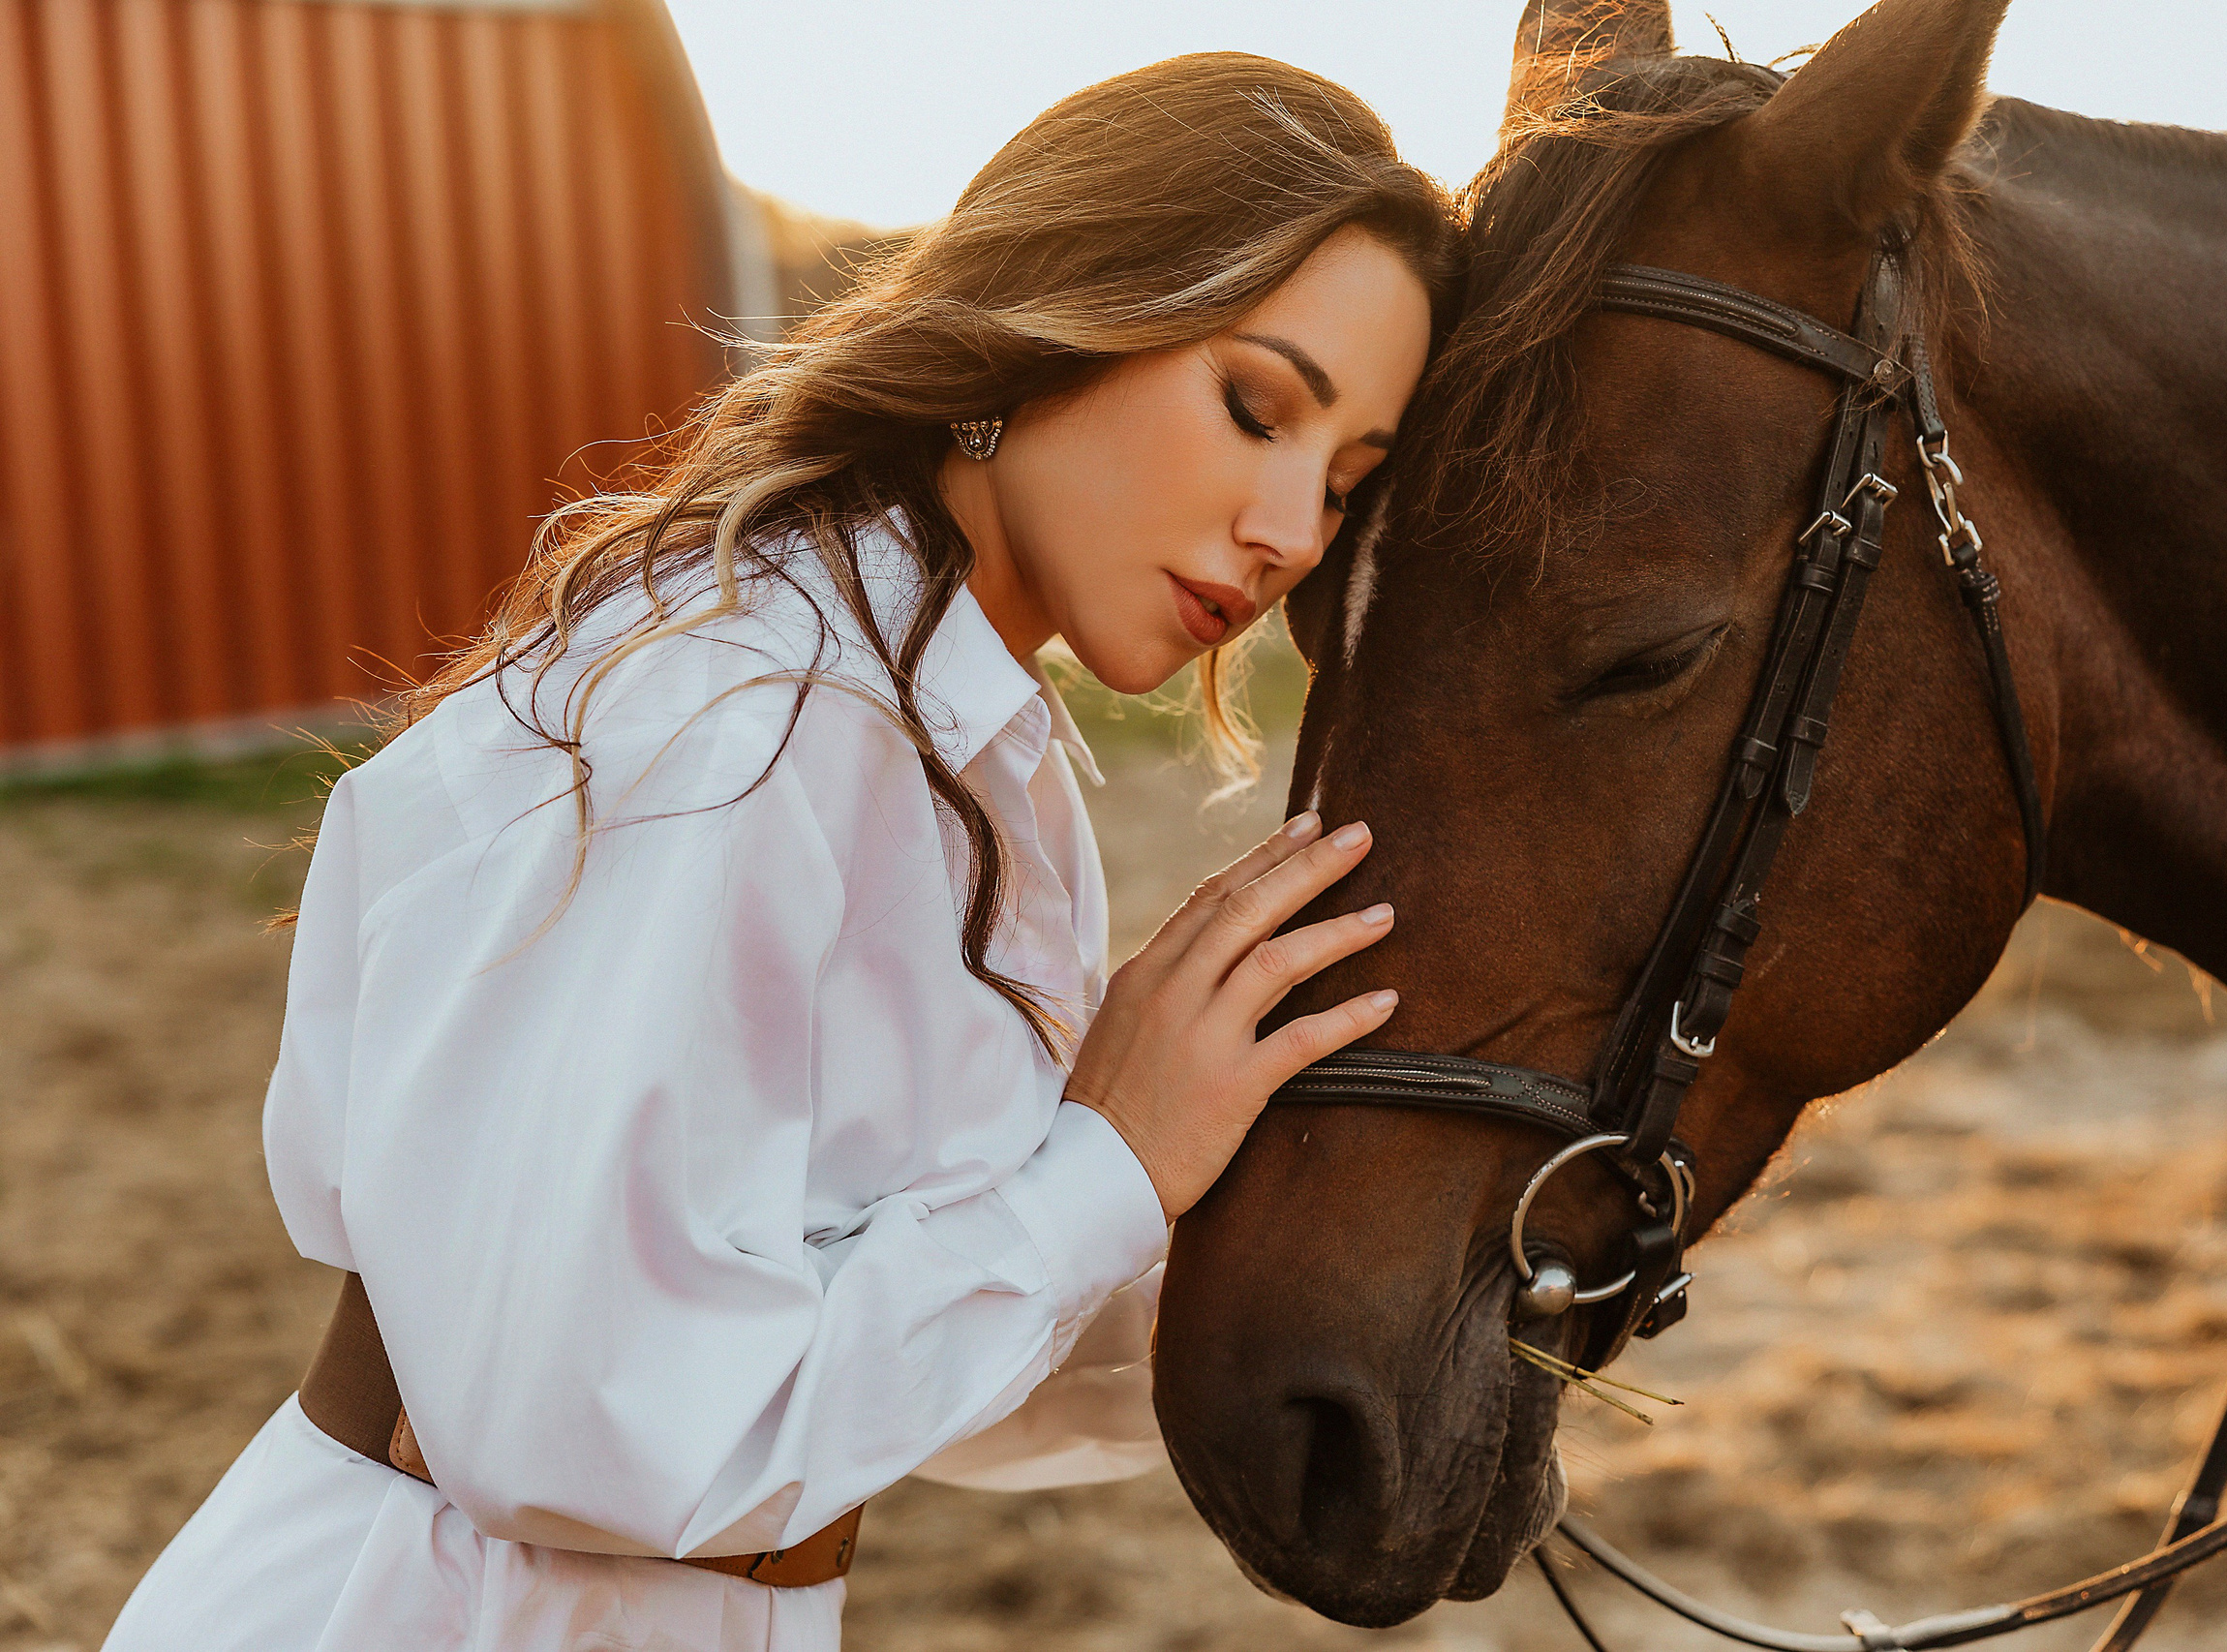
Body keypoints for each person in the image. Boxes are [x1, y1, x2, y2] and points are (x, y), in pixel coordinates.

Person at [100, 51, 1457, 1652]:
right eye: (1256, 407)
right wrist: (1110, 1164)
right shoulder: (736, 718)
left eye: (1347, 480)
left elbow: (892, 1365)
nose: (1292, 528)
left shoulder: (976, 765)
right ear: (1060, 310)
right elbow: (583, 1425)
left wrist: (1297, 1244)